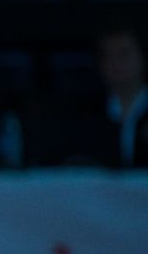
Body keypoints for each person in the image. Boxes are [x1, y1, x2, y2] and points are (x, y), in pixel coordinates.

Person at [63, 22, 148, 169]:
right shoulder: (86, 114)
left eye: (124, 55)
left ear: (143, 57)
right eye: (107, 56)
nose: (115, 64)